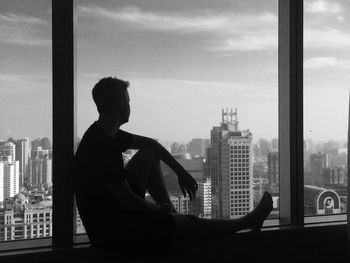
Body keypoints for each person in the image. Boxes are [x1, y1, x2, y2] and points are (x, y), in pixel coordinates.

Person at [74, 77, 273, 258]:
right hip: (113, 229)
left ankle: (172, 218)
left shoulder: (103, 133)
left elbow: (151, 145)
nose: (130, 106)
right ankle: (247, 222)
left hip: (109, 212)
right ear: (120, 104)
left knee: (149, 154)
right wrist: (157, 210)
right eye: (128, 100)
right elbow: (128, 202)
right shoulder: (103, 147)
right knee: (191, 223)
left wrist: (181, 172)